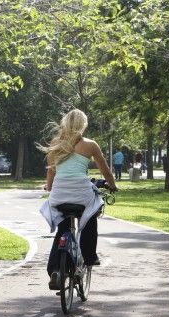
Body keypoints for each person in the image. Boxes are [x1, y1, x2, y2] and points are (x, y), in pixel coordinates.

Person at [38, 108, 117, 288]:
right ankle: (89, 257)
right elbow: (105, 170)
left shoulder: (57, 143)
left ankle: (56, 270)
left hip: (59, 193)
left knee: (62, 229)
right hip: (81, 192)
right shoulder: (90, 145)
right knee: (90, 215)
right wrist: (112, 185)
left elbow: (51, 173)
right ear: (83, 125)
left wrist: (49, 188)